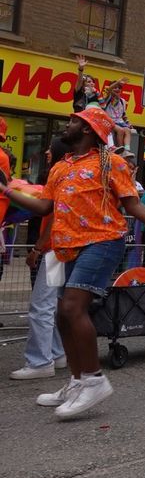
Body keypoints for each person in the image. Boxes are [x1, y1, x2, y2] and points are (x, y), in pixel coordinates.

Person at [0, 107, 145, 418]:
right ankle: (77, 381)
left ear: (88, 129)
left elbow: (133, 206)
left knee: (73, 307)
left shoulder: (111, 163)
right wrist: (6, 190)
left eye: (75, 120)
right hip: (67, 248)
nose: (68, 123)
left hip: (102, 242)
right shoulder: (61, 167)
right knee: (63, 314)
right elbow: (44, 206)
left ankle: (94, 379)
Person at [9, 139, 71, 380]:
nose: (46, 152)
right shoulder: (67, 173)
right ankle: (56, 353)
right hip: (61, 248)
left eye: (50, 149)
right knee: (52, 304)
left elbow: (54, 215)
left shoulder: (60, 173)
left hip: (54, 249)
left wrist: (37, 248)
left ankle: (40, 362)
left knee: (41, 305)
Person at [100, 79, 131, 150]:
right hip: (109, 121)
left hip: (120, 122)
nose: (117, 89)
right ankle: (121, 149)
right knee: (121, 130)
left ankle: (127, 148)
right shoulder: (108, 98)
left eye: (119, 88)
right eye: (115, 87)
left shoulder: (122, 101)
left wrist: (128, 123)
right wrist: (118, 82)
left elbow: (123, 115)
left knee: (128, 130)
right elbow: (108, 89)